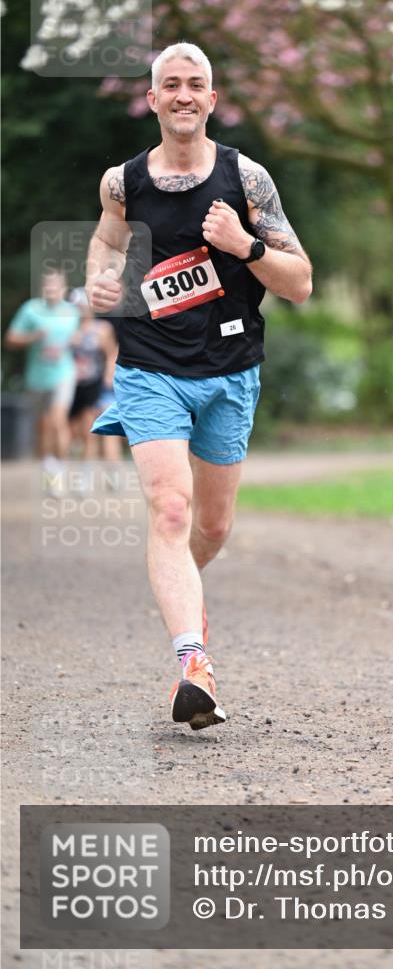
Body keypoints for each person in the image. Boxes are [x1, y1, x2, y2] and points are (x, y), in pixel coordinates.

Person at [85, 42, 312, 730]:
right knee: (171, 510)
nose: (183, 95)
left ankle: (181, 591)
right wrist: (100, 280)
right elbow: (107, 243)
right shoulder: (122, 183)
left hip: (230, 370)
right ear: (152, 99)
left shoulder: (247, 179)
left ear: (212, 100)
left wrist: (245, 245)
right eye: (171, 84)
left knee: (211, 527)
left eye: (195, 84)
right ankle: (193, 663)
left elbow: (300, 283)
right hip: (149, 366)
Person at [5, 270, 79, 486]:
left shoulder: (72, 312)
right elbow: (10, 339)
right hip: (37, 377)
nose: (51, 289)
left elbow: (82, 336)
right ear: (42, 287)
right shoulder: (31, 309)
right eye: (48, 285)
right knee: (43, 427)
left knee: (58, 420)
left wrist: (76, 341)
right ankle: (49, 472)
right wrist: (33, 337)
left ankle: (61, 471)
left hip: (64, 373)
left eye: (56, 285)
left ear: (63, 288)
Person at [68, 288, 120, 472]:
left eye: (83, 305)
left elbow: (112, 353)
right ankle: (86, 470)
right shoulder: (69, 329)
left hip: (99, 386)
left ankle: (111, 473)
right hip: (75, 387)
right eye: (77, 306)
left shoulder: (102, 329)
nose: (81, 309)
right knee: (79, 432)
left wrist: (109, 376)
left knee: (105, 431)